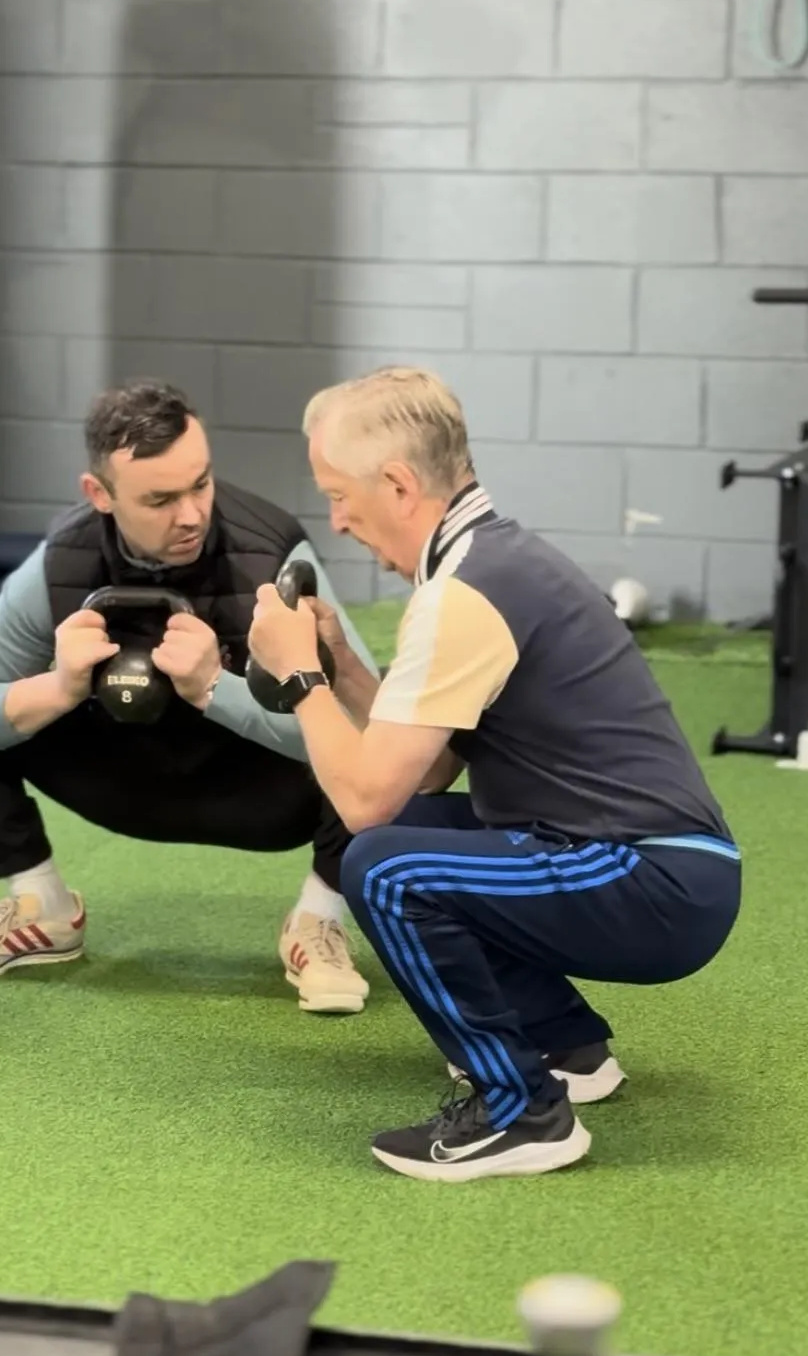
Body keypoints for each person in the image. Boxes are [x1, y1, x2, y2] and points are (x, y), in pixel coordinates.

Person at [247, 366, 742, 1183]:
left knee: (385, 865)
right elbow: (426, 766)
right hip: (657, 867)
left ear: (399, 484)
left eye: (339, 495)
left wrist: (296, 677)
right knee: (412, 841)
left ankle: (520, 1112)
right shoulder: (483, 563)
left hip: (652, 880)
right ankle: (563, 1047)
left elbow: (366, 802)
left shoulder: (464, 592)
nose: (336, 522)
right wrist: (335, 666)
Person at [0, 378, 378, 1014]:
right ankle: (43, 906)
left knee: (391, 698)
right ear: (100, 494)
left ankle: (318, 921)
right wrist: (59, 686)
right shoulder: (61, 561)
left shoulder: (271, 551)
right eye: (160, 499)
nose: (192, 514)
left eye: (200, 484)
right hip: (120, 780)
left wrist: (214, 689)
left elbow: (370, 735)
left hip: (259, 797)